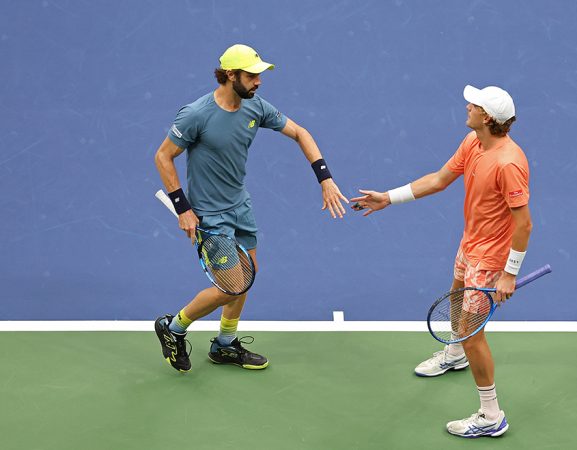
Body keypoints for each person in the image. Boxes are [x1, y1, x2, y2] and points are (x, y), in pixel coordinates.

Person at [154, 44, 349, 373]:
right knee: (231, 286)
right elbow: (163, 156)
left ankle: (225, 344)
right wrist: (183, 207)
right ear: (230, 76)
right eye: (251, 75)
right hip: (210, 215)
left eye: (259, 75)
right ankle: (173, 327)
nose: (258, 82)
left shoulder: (255, 107)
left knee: (248, 276)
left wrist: (325, 179)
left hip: (240, 207)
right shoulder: (196, 114)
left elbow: (300, 132)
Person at [350, 85, 532, 438]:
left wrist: (509, 274)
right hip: (470, 243)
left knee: (472, 333)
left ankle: (491, 415)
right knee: (455, 296)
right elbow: (438, 179)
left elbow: (524, 223)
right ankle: (454, 353)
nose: (467, 106)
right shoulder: (473, 143)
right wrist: (389, 198)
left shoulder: (509, 163)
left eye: (474, 104)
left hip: (491, 257)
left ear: (488, 118)